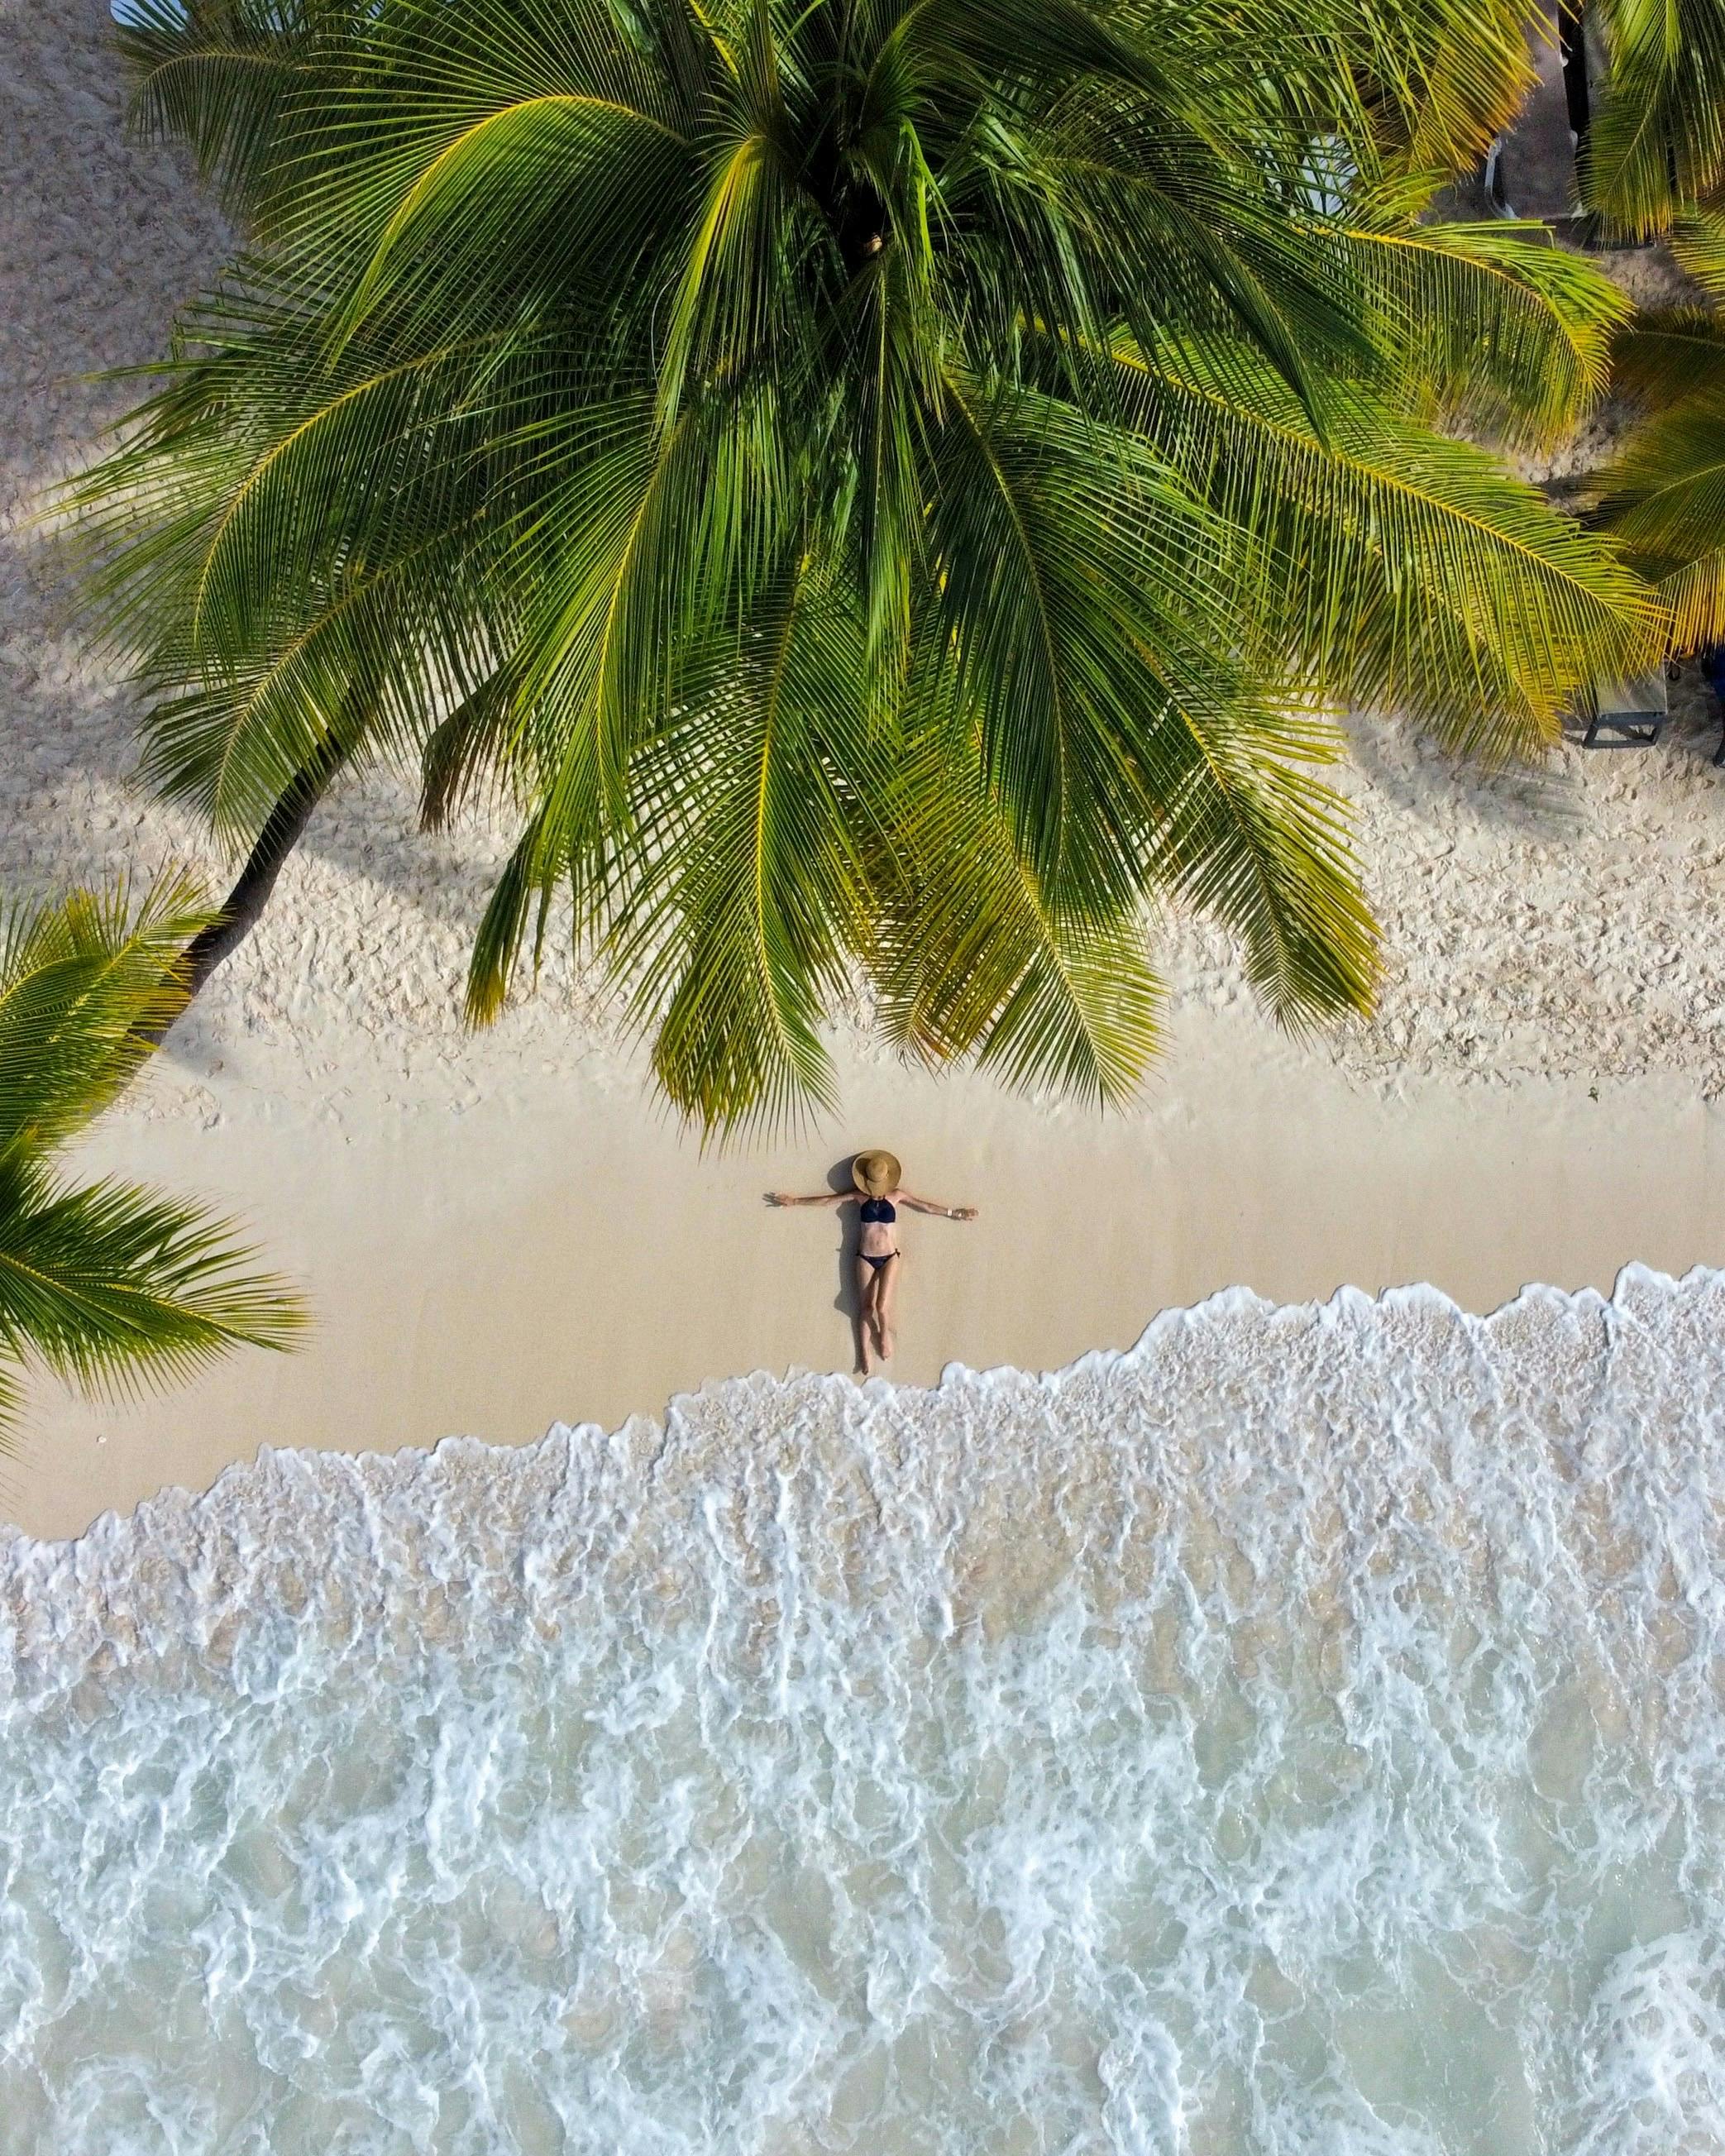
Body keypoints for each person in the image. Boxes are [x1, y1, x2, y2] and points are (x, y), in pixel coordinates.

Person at [768, 1150, 977, 1376]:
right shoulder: (859, 1197)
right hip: (864, 1256)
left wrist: (954, 1213)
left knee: (881, 1306)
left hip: (890, 1257)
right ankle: (864, 1354)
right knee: (865, 1308)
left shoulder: (897, 1195)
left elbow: (924, 1206)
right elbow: (828, 1200)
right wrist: (795, 1201)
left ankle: (885, 1334)